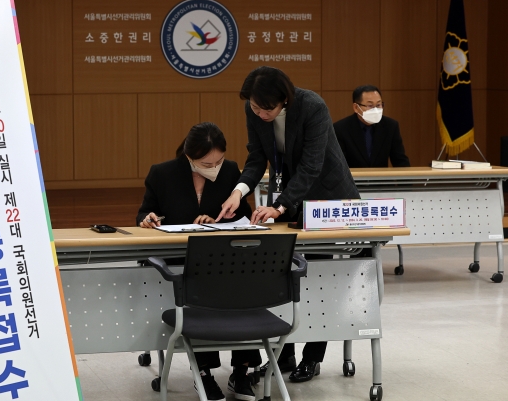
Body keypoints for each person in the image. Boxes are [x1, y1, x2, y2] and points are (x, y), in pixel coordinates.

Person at [217, 66, 360, 384]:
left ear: (285, 99)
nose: (260, 114)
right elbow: (256, 157)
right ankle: (285, 354)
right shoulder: (253, 107)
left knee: (319, 280)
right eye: (255, 108)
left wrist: (278, 205)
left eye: (266, 109)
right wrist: (238, 193)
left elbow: (312, 165)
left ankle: (312, 358)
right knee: (283, 275)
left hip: (327, 199)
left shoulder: (312, 106)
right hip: (288, 199)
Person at [137, 122, 258, 401]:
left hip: (224, 259)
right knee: (203, 294)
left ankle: (242, 370)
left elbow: (243, 214)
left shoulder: (230, 171)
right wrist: (147, 219)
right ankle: (203, 372)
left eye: (219, 160)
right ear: (190, 157)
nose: (214, 166)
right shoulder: (163, 173)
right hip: (182, 262)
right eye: (206, 163)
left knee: (246, 291)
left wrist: (221, 218)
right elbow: (144, 213)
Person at [333, 85, 410, 168]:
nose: (375, 110)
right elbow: (337, 165)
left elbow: (400, 161)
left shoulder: (390, 126)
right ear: (356, 107)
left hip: (380, 179)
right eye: (370, 106)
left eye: (378, 105)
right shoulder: (340, 129)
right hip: (353, 180)